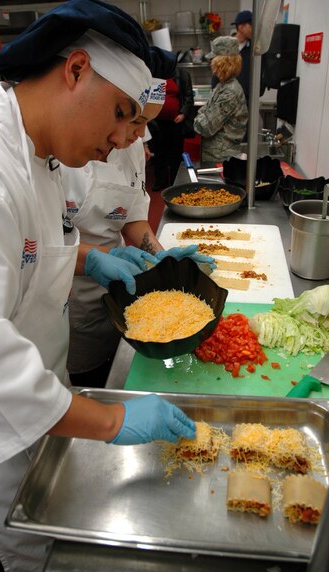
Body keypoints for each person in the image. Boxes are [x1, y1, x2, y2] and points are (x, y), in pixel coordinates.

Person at [0, 2, 197, 572]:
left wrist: (92, 259)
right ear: (74, 70)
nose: (123, 138)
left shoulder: (53, 155)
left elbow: (31, 256)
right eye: (121, 114)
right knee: (31, 565)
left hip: (47, 397)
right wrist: (113, 419)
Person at [61, 79, 215, 387]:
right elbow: (44, 247)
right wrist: (95, 259)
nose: (135, 136)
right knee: (85, 377)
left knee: (119, 366)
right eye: (135, 120)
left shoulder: (131, 147)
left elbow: (130, 213)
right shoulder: (64, 152)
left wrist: (159, 255)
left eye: (146, 124)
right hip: (72, 298)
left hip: (123, 283)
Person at [193, 36, 248, 164]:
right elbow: (205, 111)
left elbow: (205, 127)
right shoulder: (222, 85)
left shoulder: (229, 92)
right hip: (215, 154)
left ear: (221, 63)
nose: (211, 65)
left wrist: (199, 118)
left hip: (221, 158)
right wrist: (203, 115)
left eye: (213, 60)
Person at [148, 67, 195, 191]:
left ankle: (175, 181)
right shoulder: (153, 73)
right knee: (159, 154)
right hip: (157, 123)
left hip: (176, 122)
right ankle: (160, 181)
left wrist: (183, 114)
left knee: (175, 154)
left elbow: (189, 96)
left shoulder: (182, 74)